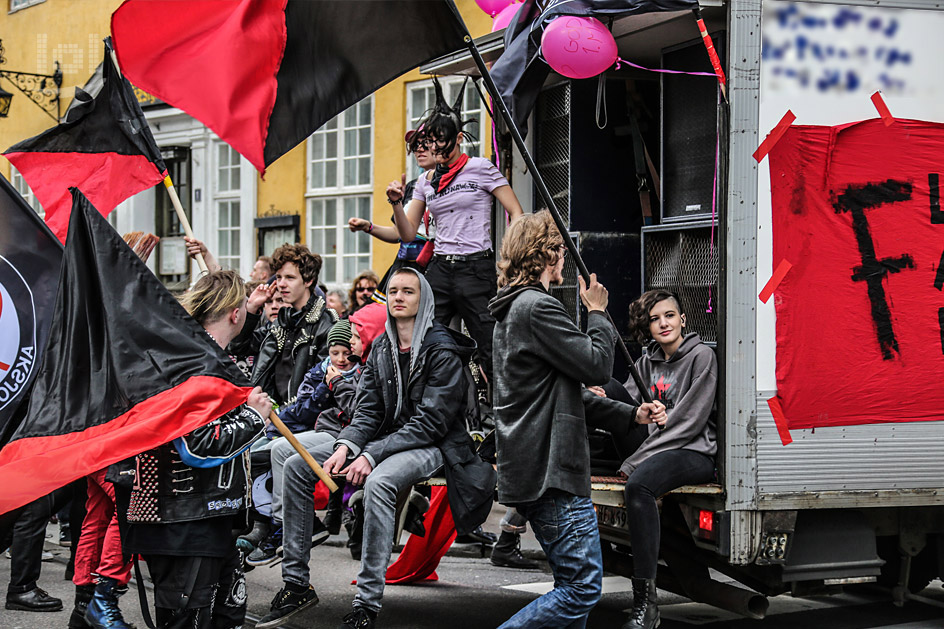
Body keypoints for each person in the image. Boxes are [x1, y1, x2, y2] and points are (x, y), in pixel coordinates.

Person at [256, 268, 494, 629]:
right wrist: (348, 443)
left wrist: (369, 454)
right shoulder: (382, 345)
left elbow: (431, 423)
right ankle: (296, 584)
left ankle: (366, 604)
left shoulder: (442, 349)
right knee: (295, 463)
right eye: (393, 290)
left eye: (408, 292)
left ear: (423, 299)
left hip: (433, 443)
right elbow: (368, 409)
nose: (398, 297)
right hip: (381, 437)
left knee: (380, 482)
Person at [489, 211, 662, 628]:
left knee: (570, 585)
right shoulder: (536, 307)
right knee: (582, 587)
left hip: (537, 467)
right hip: (552, 470)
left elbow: (566, 394)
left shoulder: (515, 310)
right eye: (561, 251)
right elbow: (598, 366)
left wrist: (630, 413)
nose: (564, 259)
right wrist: (598, 312)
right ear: (547, 254)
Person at [122, 270, 270, 629]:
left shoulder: (203, 354)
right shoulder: (189, 363)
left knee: (226, 619)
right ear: (234, 314)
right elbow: (196, 444)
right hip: (184, 524)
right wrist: (253, 418)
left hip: (213, 521)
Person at [586, 289, 717, 629]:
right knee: (610, 388)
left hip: (691, 450)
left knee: (640, 486)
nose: (663, 324)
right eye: (655, 319)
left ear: (683, 319)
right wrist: (597, 396)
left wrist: (635, 462)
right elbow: (628, 408)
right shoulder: (647, 360)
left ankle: (647, 605)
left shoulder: (701, 357)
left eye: (669, 316)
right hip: (654, 445)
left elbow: (689, 423)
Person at [386, 80, 524, 385]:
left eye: (440, 140)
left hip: (476, 268)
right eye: (430, 141)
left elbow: (515, 212)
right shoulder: (426, 180)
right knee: (421, 337)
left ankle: (500, 410)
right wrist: (396, 203)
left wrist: (509, 260)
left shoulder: (481, 168)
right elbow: (407, 233)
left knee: (490, 344)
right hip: (440, 268)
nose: (434, 147)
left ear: (458, 138)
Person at [349, 128, 438, 294]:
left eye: (425, 144)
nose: (419, 149)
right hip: (405, 266)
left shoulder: (454, 185)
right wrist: (367, 227)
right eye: (415, 144)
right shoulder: (412, 186)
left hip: (434, 270)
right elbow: (399, 234)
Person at [249, 243, 339, 406]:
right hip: (269, 415)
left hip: (300, 423)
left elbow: (320, 391)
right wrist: (252, 308)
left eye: (290, 278)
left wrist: (281, 416)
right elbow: (239, 346)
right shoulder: (280, 323)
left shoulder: (326, 326)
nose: (282, 284)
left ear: (308, 280)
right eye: (278, 277)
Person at [70, 468, 133, 629]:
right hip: (113, 446)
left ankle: (85, 605)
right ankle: (102, 601)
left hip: (95, 445)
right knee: (131, 506)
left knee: (100, 512)